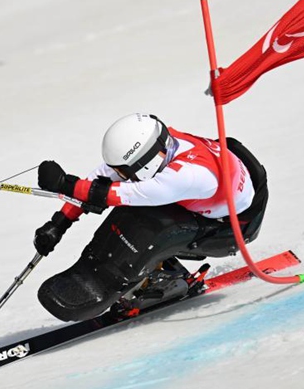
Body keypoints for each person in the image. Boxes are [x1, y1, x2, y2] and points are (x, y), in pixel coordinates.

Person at [33, 113, 269, 321]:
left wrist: (67, 185)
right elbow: (103, 178)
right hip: (207, 204)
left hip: (231, 229)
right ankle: (141, 268)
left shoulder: (189, 175)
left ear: (149, 161)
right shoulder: (160, 146)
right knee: (138, 207)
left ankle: (145, 280)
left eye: (125, 170)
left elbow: (129, 193)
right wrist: (60, 222)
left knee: (150, 221)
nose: (122, 175)